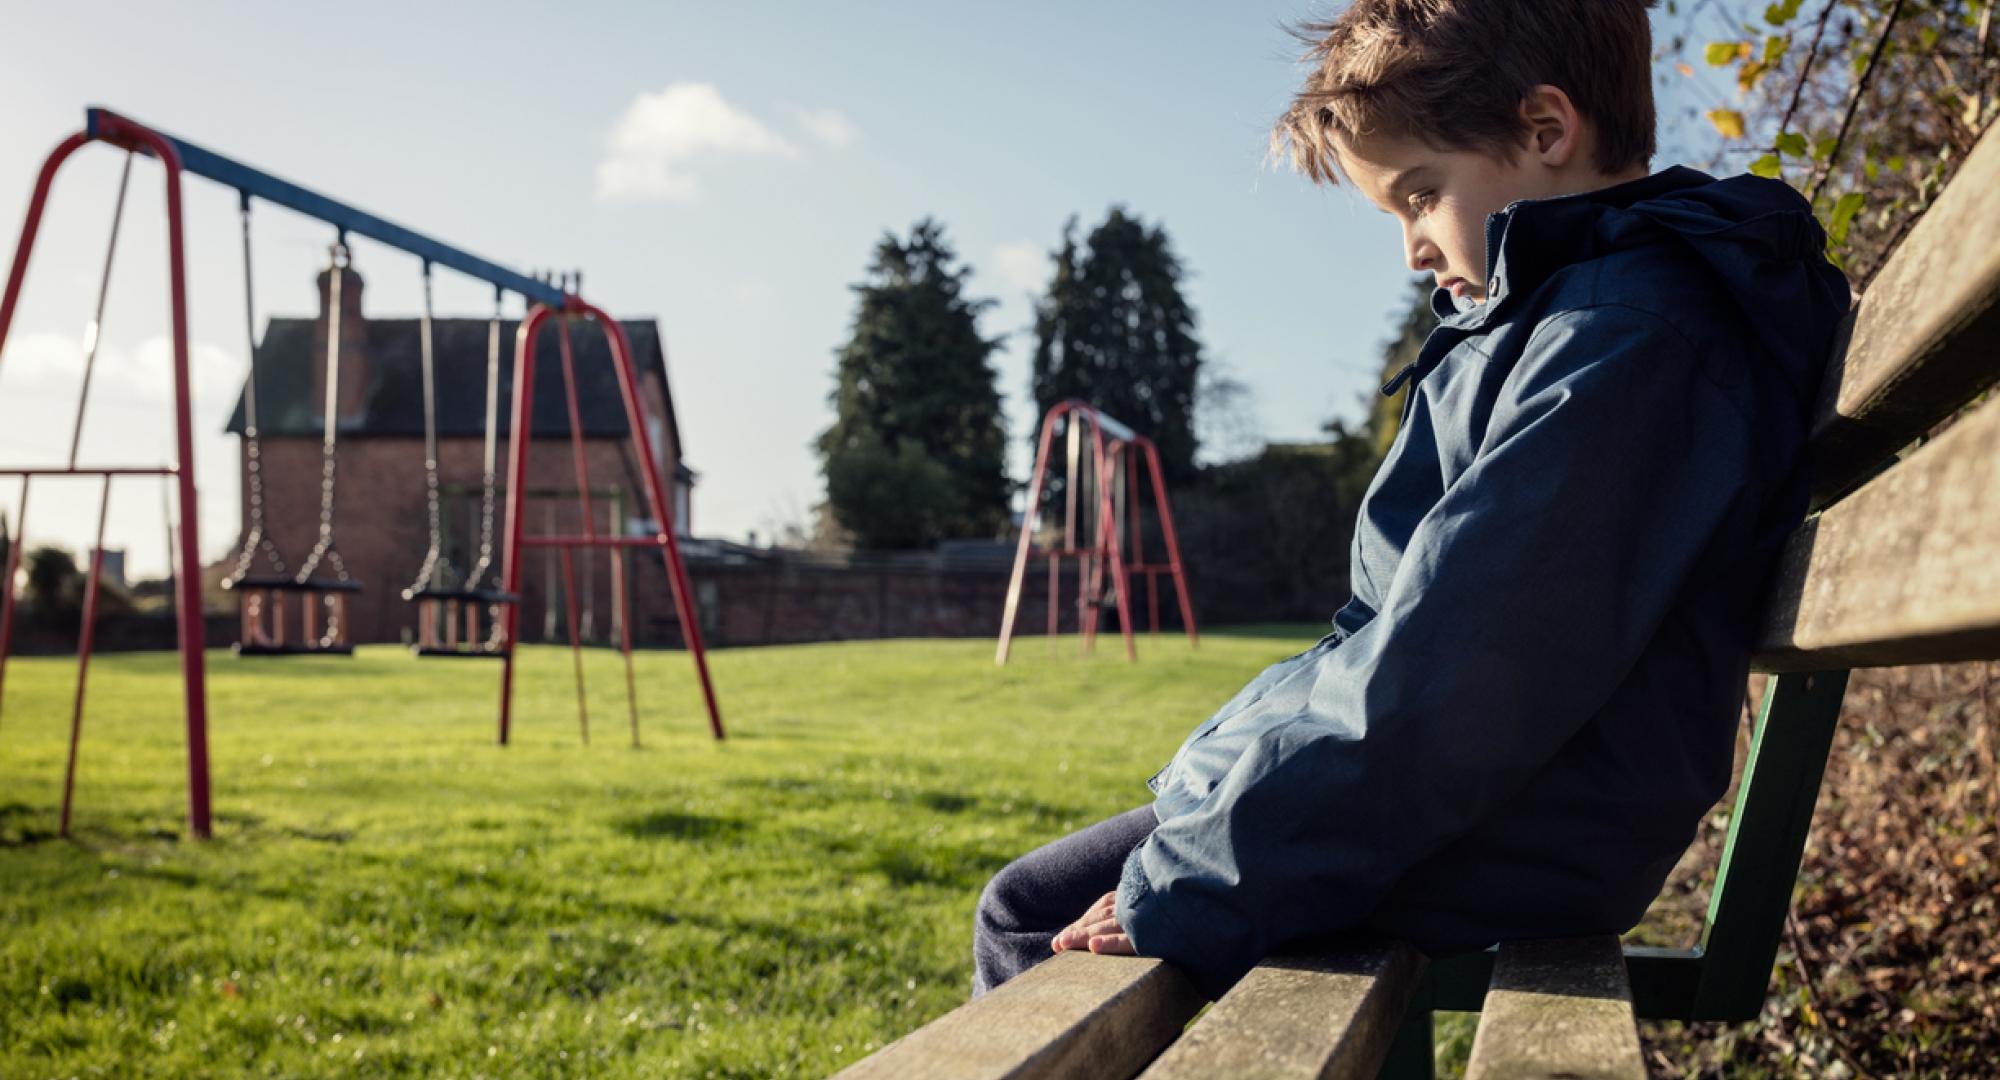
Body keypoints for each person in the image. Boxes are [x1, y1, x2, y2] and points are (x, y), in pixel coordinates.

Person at [973, 0, 1853, 1000]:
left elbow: (1461, 670)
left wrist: (1189, 879)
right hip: (1480, 799)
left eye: (1419, 197)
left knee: (1029, 919)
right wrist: (1227, 782)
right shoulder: (1557, 326)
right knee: (1048, 900)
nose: (1411, 250)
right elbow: (1403, 639)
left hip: (1515, 821)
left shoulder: (1626, 343)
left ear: (1544, 130)